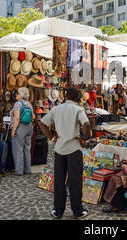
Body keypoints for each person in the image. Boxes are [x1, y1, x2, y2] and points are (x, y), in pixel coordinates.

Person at [39, 87, 91, 220]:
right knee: (75, 181)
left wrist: (51, 137)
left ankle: (58, 210)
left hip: (59, 148)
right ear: (78, 97)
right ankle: (77, 211)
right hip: (74, 148)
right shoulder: (78, 109)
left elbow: (42, 123)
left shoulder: (56, 109)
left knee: (59, 181)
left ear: (66, 96)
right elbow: (86, 124)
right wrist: (84, 138)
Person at [10, 87, 35, 176]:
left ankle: (19, 170)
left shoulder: (17, 104)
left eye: (17, 93)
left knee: (18, 149)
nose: (16, 95)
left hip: (20, 127)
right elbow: (33, 117)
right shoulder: (29, 104)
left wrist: (13, 130)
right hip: (29, 127)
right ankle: (27, 169)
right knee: (27, 149)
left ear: (21, 95)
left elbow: (17, 118)